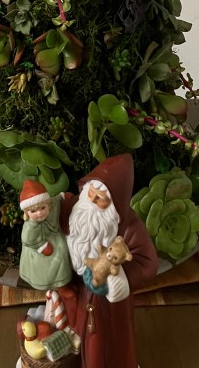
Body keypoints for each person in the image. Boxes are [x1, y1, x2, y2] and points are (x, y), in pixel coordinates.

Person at [59, 154, 158, 368]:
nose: (92, 201)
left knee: (103, 351)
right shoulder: (73, 208)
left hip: (106, 308)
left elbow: (148, 263)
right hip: (73, 297)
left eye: (100, 199)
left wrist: (119, 277)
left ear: (114, 204)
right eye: (91, 193)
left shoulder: (128, 226)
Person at [19, 180, 72, 291]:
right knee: (52, 261)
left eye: (42, 208)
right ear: (27, 213)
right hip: (39, 246)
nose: (39, 213)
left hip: (54, 237)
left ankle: (63, 282)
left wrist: (62, 196)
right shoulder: (30, 226)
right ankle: (54, 284)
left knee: (63, 252)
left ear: (47, 204)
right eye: (33, 211)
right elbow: (28, 239)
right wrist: (42, 246)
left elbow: (55, 200)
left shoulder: (51, 204)